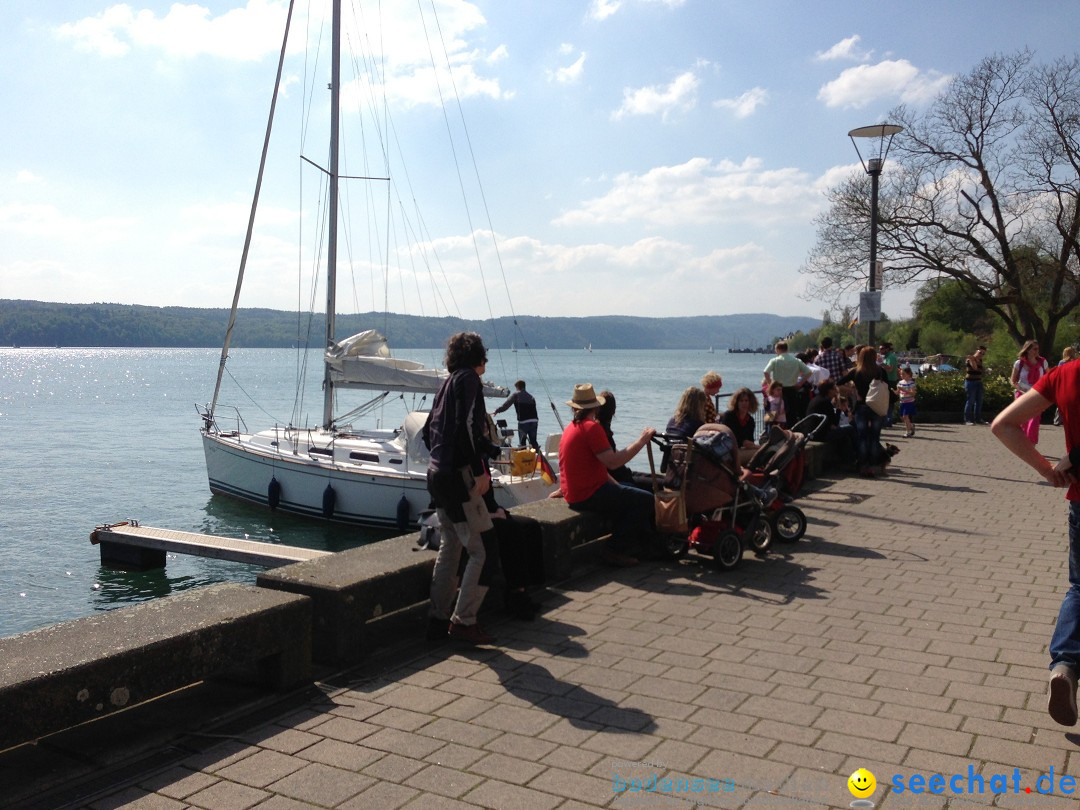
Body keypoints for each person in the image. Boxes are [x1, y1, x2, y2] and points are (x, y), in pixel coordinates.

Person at [991, 361, 1080, 726]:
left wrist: (1049, 469)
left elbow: (1002, 425)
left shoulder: (1065, 373)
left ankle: (1064, 666)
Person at [424, 332, 501, 645]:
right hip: (459, 476)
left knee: (451, 545)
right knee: (483, 550)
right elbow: (467, 429)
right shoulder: (469, 379)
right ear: (478, 357)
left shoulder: (447, 382)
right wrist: (480, 470)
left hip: (437, 473)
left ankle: (437, 618)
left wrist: (488, 450)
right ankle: (464, 621)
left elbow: (432, 429)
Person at [558, 384, 656, 567]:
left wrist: (618, 487)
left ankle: (628, 545)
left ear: (574, 408)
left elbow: (596, 468)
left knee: (629, 495)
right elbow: (613, 462)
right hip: (588, 494)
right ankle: (614, 549)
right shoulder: (592, 428)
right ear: (595, 407)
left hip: (574, 493)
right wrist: (642, 441)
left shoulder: (571, 428)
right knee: (646, 500)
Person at [839, 346, 890, 478]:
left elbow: (838, 383)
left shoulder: (856, 371)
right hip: (876, 408)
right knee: (874, 437)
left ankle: (863, 465)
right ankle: (873, 465)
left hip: (861, 407)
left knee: (862, 437)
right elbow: (888, 387)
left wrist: (852, 390)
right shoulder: (880, 371)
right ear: (874, 357)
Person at [806, 380, 857, 467]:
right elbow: (835, 422)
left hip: (814, 432)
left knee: (844, 438)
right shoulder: (825, 402)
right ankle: (859, 456)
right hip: (821, 434)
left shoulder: (816, 399)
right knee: (851, 428)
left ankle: (849, 461)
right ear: (829, 390)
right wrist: (837, 407)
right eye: (834, 389)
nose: (836, 391)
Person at [762, 341, 812, 424]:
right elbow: (809, 372)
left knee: (771, 416)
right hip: (792, 390)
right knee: (791, 416)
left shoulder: (775, 360)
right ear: (787, 349)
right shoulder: (796, 361)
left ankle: (770, 433)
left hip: (777, 391)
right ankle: (790, 433)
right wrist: (800, 384)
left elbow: (766, 372)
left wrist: (771, 384)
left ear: (778, 349)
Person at [1010, 340, 1050, 445]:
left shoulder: (1043, 362)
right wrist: (1021, 390)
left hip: (1037, 394)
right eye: (1034, 349)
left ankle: (1031, 444)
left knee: (1034, 419)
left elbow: (1049, 378)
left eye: (1038, 349)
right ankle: (1022, 442)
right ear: (1027, 350)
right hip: (1022, 393)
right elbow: (1013, 381)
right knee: (1023, 420)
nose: (1037, 351)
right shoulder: (1019, 363)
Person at [493, 379, 540, 450]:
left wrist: (497, 410)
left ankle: (523, 458)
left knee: (522, 443)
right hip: (534, 421)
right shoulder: (531, 397)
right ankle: (537, 458)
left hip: (524, 422)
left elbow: (506, 405)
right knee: (533, 442)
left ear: (518, 387)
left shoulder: (516, 395)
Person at [721, 387, 760, 465]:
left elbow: (750, 441)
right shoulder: (729, 416)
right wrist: (745, 443)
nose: (744, 403)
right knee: (758, 454)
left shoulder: (750, 420)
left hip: (740, 450)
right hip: (727, 452)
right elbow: (729, 438)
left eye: (746, 401)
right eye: (741, 401)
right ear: (736, 402)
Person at [964, 345, 987, 425]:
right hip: (970, 382)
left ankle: (978, 419)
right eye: (980, 352)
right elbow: (975, 368)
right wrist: (973, 359)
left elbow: (981, 370)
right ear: (976, 350)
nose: (981, 355)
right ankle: (967, 420)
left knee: (979, 401)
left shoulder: (980, 360)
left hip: (978, 382)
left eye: (983, 354)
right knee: (970, 401)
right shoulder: (970, 359)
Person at [880, 341, 900, 427]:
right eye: (880, 349)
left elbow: (890, 369)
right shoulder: (886, 357)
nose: (880, 350)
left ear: (887, 349)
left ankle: (889, 420)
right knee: (886, 401)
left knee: (890, 401)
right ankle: (887, 420)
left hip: (890, 381)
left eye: (882, 349)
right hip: (887, 380)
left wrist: (880, 363)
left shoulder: (891, 357)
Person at [896, 366, 917, 438]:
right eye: (901, 374)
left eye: (903, 374)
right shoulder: (900, 382)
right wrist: (894, 391)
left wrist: (904, 390)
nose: (902, 376)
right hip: (902, 402)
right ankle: (911, 426)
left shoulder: (911, 383)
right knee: (902, 417)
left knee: (905, 416)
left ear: (908, 374)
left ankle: (908, 432)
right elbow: (898, 392)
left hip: (909, 402)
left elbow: (913, 393)